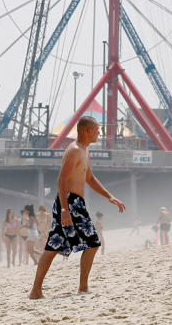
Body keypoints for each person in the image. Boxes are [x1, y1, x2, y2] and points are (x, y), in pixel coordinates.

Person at [28, 116, 125, 298]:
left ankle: (37, 291)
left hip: (74, 203)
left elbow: (90, 178)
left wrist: (110, 196)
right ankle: (80, 287)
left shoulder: (84, 150)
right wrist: (65, 209)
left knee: (54, 246)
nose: (99, 133)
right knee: (93, 242)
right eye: (97, 130)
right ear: (88, 131)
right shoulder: (74, 150)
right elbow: (61, 179)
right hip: (69, 203)